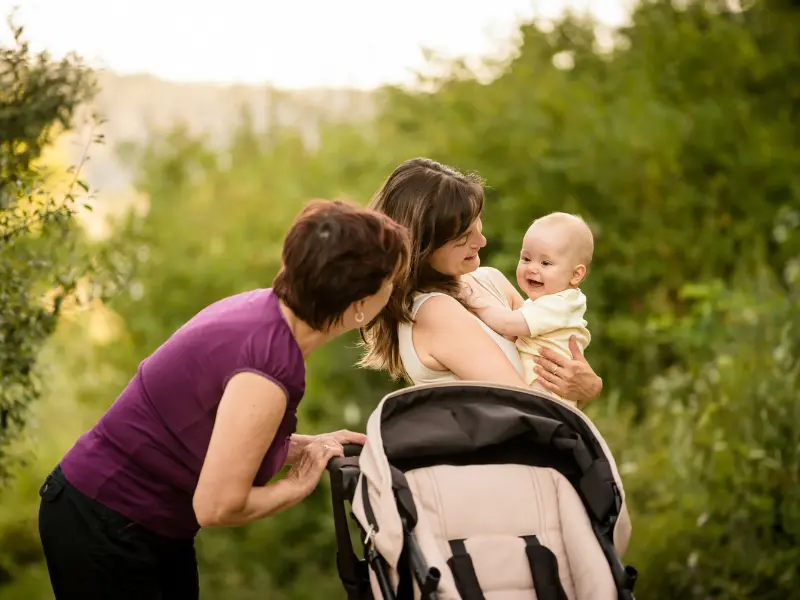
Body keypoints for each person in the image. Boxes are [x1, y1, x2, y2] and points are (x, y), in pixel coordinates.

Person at [37, 199, 410, 600]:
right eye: (390, 281)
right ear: (359, 306)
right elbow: (217, 506)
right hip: (106, 523)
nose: (394, 289)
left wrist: (307, 448)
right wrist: (298, 484)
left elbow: (219, 441)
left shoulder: (265, 312)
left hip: (136, 525)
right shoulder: (266, 371)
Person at [359, 157, 603, 407]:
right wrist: (587, 389)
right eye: (463, 237)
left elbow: (555, 361)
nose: (481, 241)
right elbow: (527, 407)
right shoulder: (434, 311)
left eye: (477, 223)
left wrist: (590, 386)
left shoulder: (490, 280)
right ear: (424, 247)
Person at [469, 212, 594, 407]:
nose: (532, 268)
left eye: (545, 263)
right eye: (526, 259)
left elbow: (507, 324)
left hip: (545, 395)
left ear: (576, 274)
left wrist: (475, 302)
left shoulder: (559, 305)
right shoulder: (553, 302)